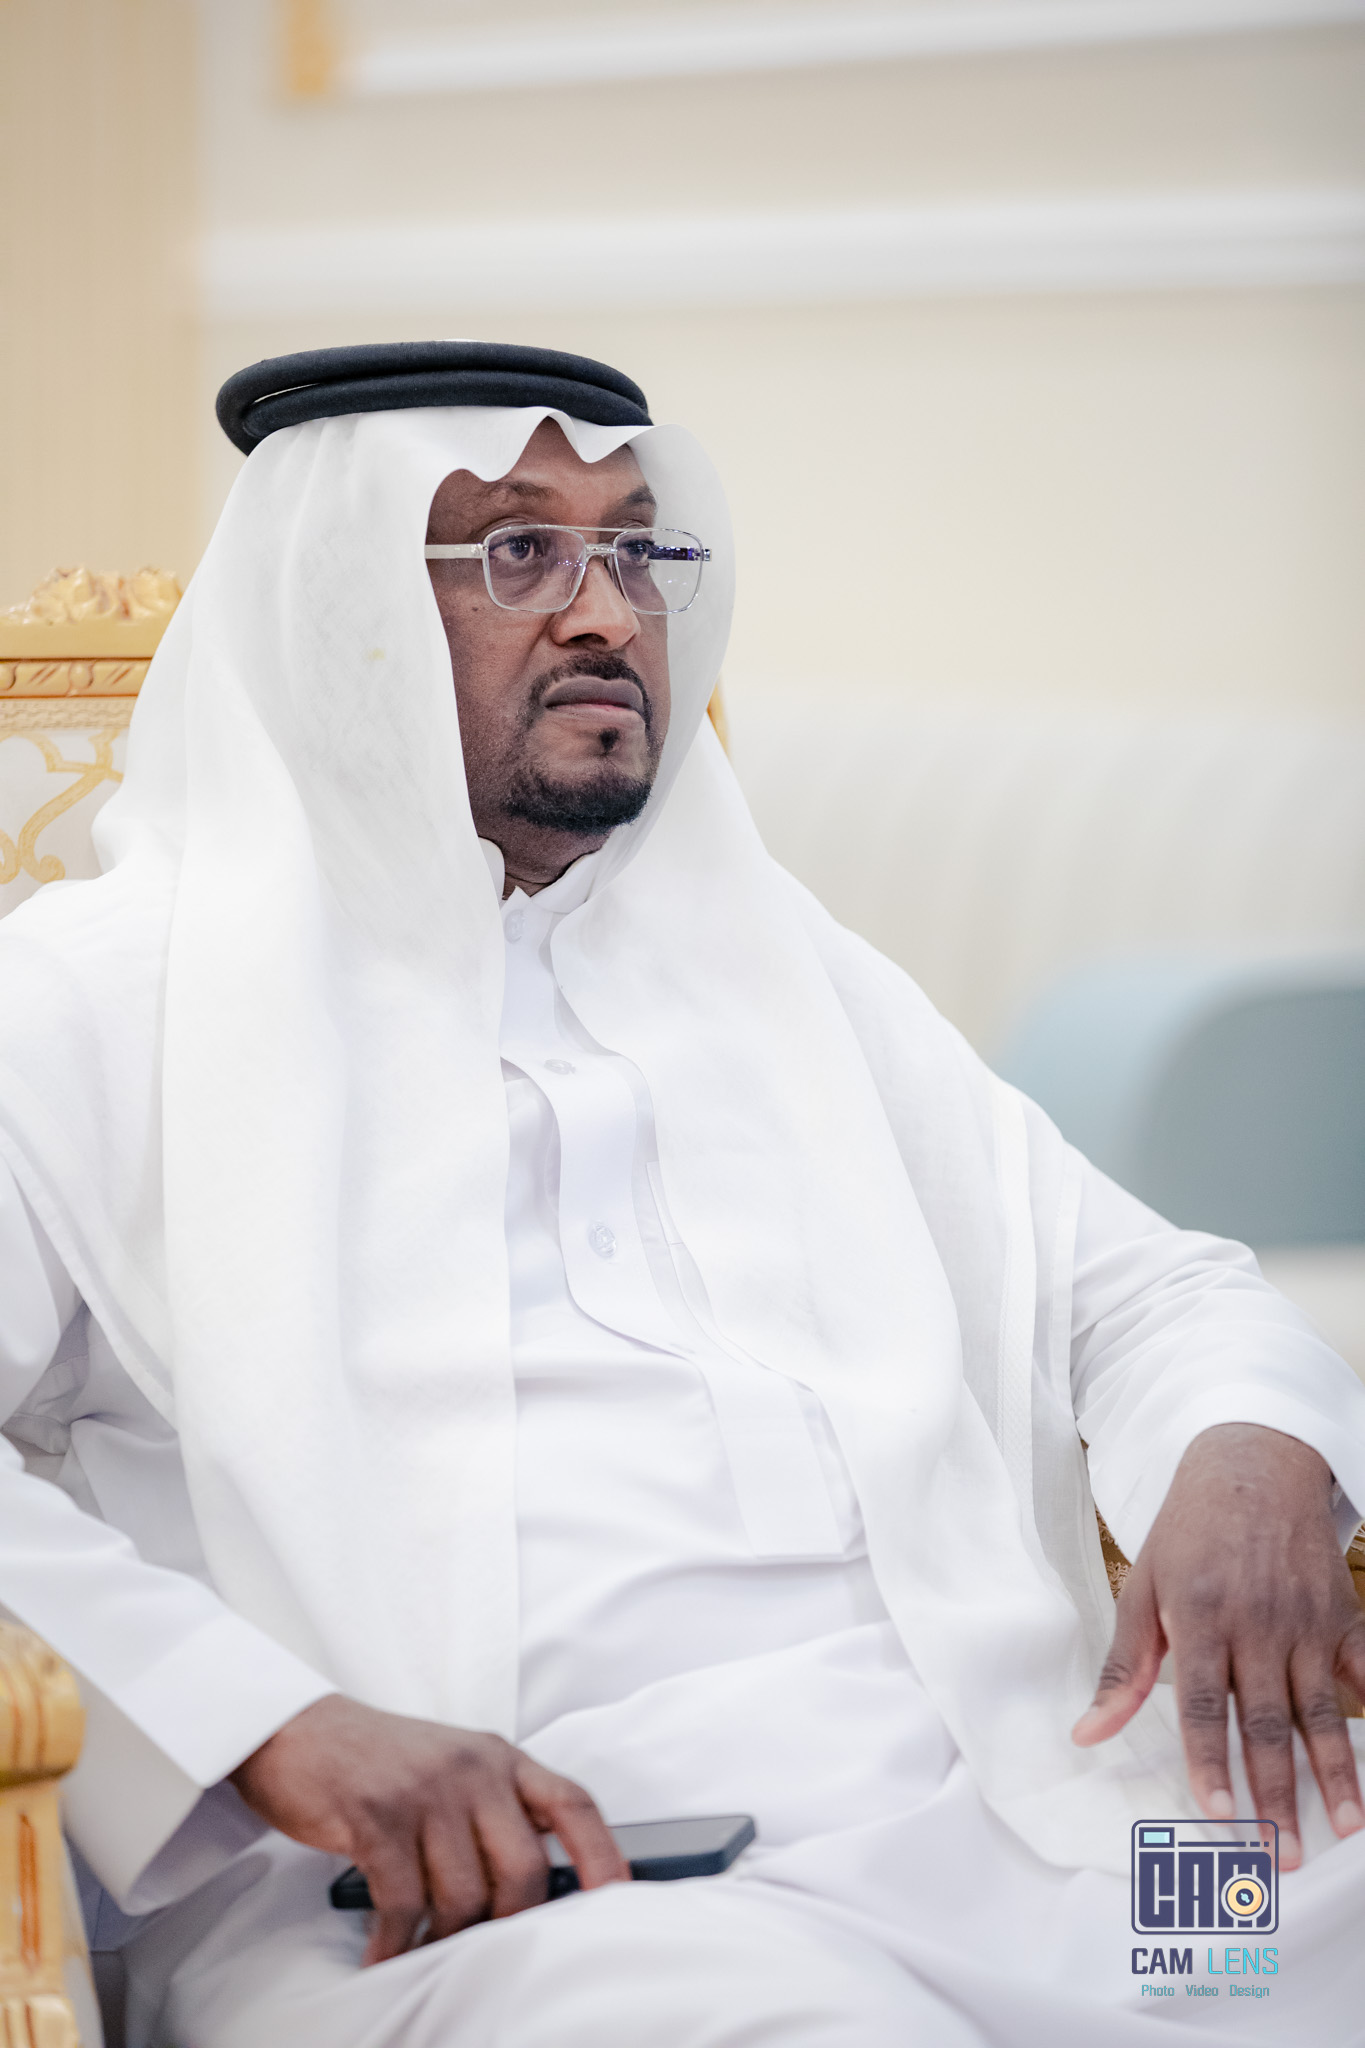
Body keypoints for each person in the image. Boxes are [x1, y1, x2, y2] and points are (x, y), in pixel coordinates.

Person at [0, 341, 1362, 2048]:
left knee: (1285, 1962)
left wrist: (1246, 1458)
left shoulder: (773, 961)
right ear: (336, 614)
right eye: (517, 551)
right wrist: (270, 1726)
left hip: (1035, 1813)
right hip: (525, 1897)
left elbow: (1147, 1292)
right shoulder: (94, 1001)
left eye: (636, 550)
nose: (605, 614)